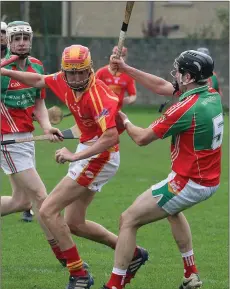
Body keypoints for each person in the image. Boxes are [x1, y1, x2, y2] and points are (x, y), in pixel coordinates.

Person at [1, 44, 148, 289]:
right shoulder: (63, 79)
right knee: (74, 223)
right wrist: (6, 73)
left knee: (47, 210)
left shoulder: (99, 95)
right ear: (64, 71)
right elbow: (37, 79)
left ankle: (79, 274)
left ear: (89, 70)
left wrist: (75, 157)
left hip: (101, 155)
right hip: (88, 149)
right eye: (71, 73)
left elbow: (110, 137)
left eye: (81, 72)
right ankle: (133, 253)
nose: (76, 78)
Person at [101, 50, 224, 289]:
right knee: (172, 211)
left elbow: (142, 139)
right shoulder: (211, 93)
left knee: (128, 220)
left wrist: (123, 119)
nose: (174, 75)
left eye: (178, 71)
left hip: (188, 182)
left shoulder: (184, 109)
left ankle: (114, 285)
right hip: (208, 179)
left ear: (187, 77)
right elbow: (162, 86)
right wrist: (126, 68)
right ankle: (191, 274)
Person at [0, 21, 65, 264]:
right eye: (16, 39)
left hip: (26, 138)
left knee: (22, 201)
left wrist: (47, 126)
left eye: (25, 39)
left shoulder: (36, 66)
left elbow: (38, 102)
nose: (21, 43)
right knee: (40, 196)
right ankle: (64, 254)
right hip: (7, 140)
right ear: (9, 41)